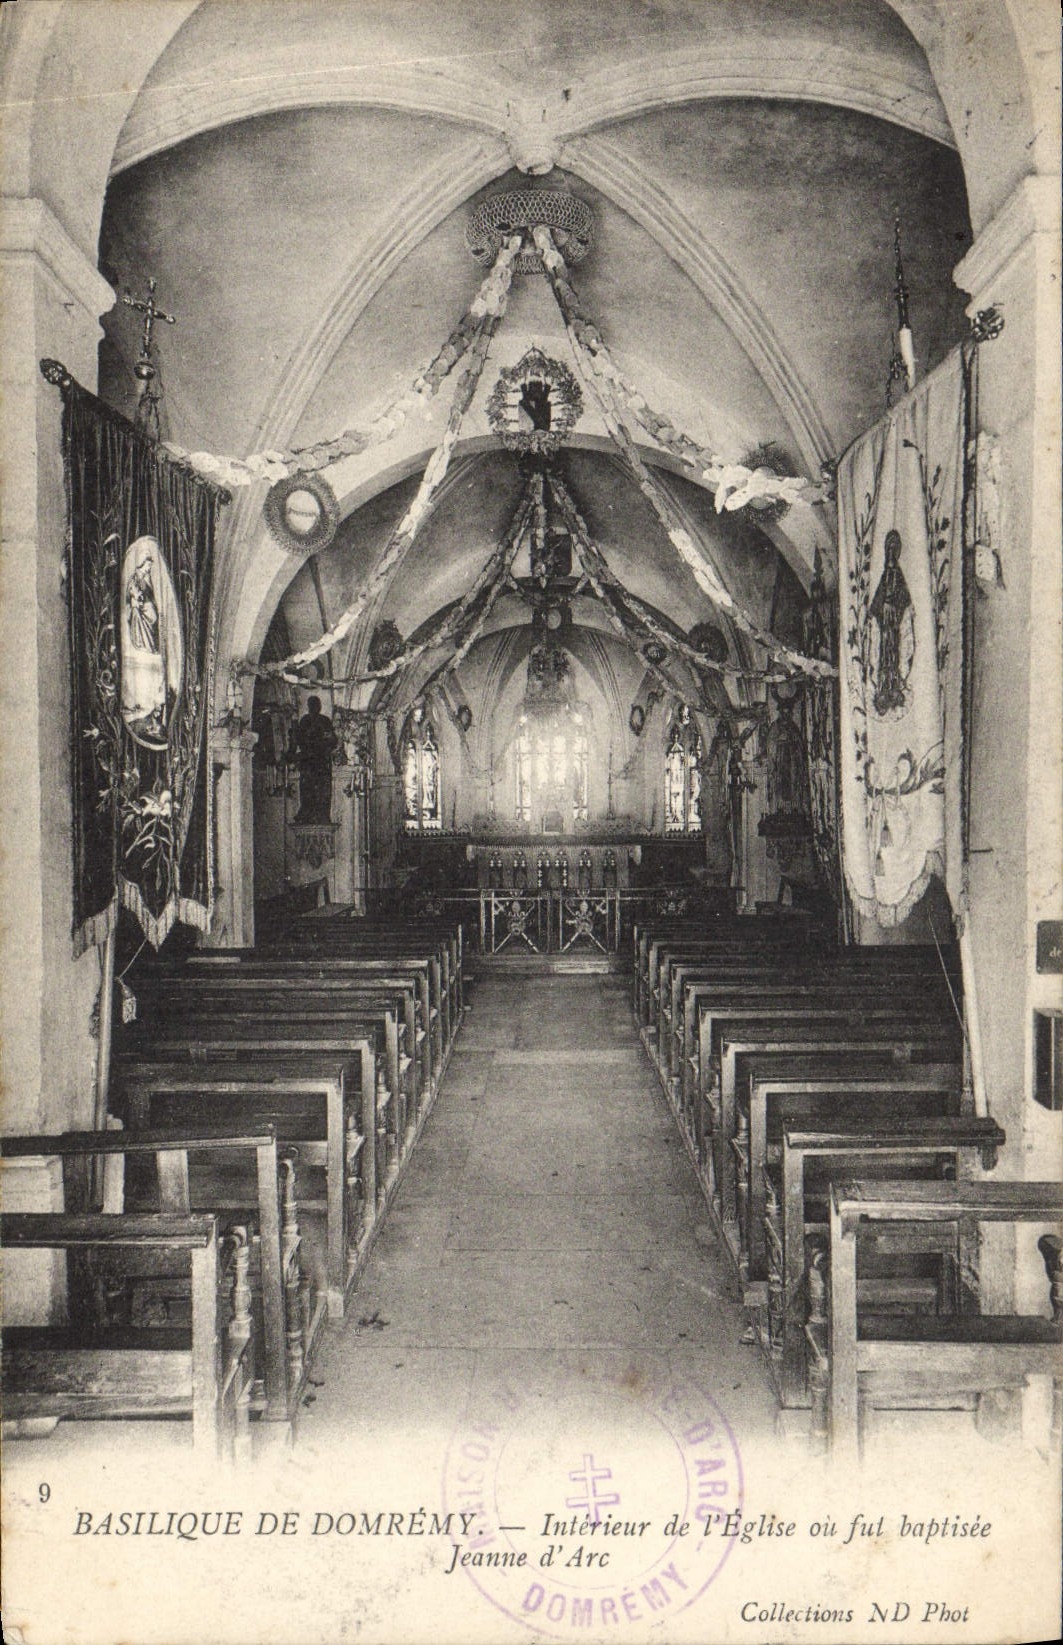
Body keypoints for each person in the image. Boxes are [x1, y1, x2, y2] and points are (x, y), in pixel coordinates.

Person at [292, 695, 338, 822]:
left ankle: (322, 814)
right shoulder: (305, 721)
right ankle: (306, 812)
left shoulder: (325, 721)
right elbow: (299, 740)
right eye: (312, 705)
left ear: (319, 707)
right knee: (307, 789)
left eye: (316, 705)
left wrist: (322, 744)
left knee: (322, 790)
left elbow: (333, 740)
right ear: (309, 707)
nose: (315, 707)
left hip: (322, 761)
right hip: (308, 762)